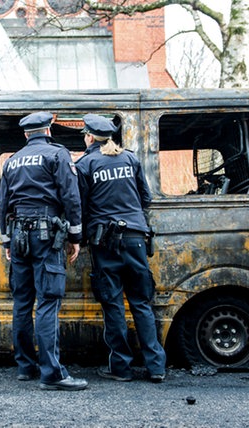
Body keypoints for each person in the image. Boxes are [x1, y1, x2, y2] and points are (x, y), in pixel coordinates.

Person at [0, 111, 87, 391]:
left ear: (26, 134)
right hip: (46, 235)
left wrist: (7, 242)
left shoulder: (11, 162)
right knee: (48, 300)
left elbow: (3, 205)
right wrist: (75, 236)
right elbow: (71, 197)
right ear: (48, 131)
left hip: (19, 235)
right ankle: (52, 373)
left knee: (22, 301)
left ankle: (25, 366)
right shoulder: (57, 155)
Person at [75, 113, 166, 383]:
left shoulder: (86, 164)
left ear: (89, 137)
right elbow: (146, 199)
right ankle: (156, 367)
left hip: (105, 244)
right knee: (141, 303)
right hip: (137, 239)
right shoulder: (130, 158)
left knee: (113, 305)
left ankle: (122, 368)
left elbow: (80, 207)